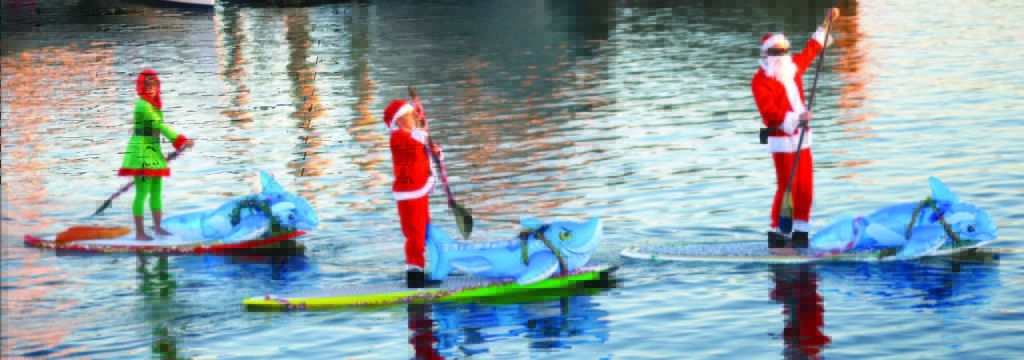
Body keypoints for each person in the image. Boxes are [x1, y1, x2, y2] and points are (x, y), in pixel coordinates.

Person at [753, 8, 839, 255]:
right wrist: (797, 118)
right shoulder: (760, 80)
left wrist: (827, 21)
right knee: (786, 187)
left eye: (783, 50)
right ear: (767, 54)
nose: (780, 55)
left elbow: (813, 48)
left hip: (802, 140)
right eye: (775, 52)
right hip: (780, 140)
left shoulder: (793, 68)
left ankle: (800, 237)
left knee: (805, 188)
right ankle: (778, 240)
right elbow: (769, 114)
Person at [118, 69, 194, 240]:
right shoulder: (143, 105)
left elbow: (158, 128)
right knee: (142, 192)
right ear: (141, 87)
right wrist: (180, 141)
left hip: (152, 149)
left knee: (156, 191)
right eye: (147, 85)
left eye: (154, 85)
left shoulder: (152, 104)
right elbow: (160, 126)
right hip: (140, 152)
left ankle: (158, 228)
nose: (151, 88)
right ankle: (139, 233)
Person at [383, 99, 443, 288]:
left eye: (412, 116)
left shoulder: (413, 136)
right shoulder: (398, 137)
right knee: (415, 232)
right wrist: (422, 123)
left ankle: (424, 267)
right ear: (398, 121)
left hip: (420, 188)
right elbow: (414, 143)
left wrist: (434, 151)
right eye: (408, 116)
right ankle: (414, 277)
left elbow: (425, 149)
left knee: (424, 229)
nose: (412, 119)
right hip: (410, 192)